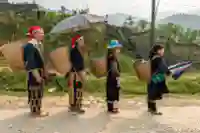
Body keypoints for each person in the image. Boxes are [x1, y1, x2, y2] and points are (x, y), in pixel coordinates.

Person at [23, 26, 49, 117]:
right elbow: (30, 62)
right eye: (40, 33)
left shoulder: (38, 44)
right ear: (34, 34)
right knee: (34, 91)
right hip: (34, 72)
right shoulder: (30, 46)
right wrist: (37, 75)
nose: (43, 35)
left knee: (39, 91)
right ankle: (35, 111)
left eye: (43, 33)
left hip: (39, 71)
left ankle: (38, 109)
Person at [147, 44, 171, 115]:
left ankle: (150, 108)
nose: (163, 51)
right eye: (162, 50)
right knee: (154, 94)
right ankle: (153, 110)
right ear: (158, 50)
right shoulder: (158, 58)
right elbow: (163, 67)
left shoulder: (152, 58)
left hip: (150, 78)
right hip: (156, 79)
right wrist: (168, 72)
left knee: (151, 94)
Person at [68, 34, 86, 113]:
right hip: (75, 73)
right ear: (77, 41)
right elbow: (73, 63)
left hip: (79, 72)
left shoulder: (80, 50)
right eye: (81, 40)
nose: (83, 42)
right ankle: (75, 106)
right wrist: (78, 74)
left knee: (79, 89)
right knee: (76, 89)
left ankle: (77, 105)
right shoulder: (74, 51)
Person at [106, 40, 122, 113]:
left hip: (109, 78)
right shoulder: (113, 58)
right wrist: (118, 76)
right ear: (114, 49)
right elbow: (114, 69)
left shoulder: (109, 57)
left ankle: (110, 108)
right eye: (117, 48)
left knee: (110, 93)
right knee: (114, 93)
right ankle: (114, 109)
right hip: (114, 78)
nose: (119, 50)